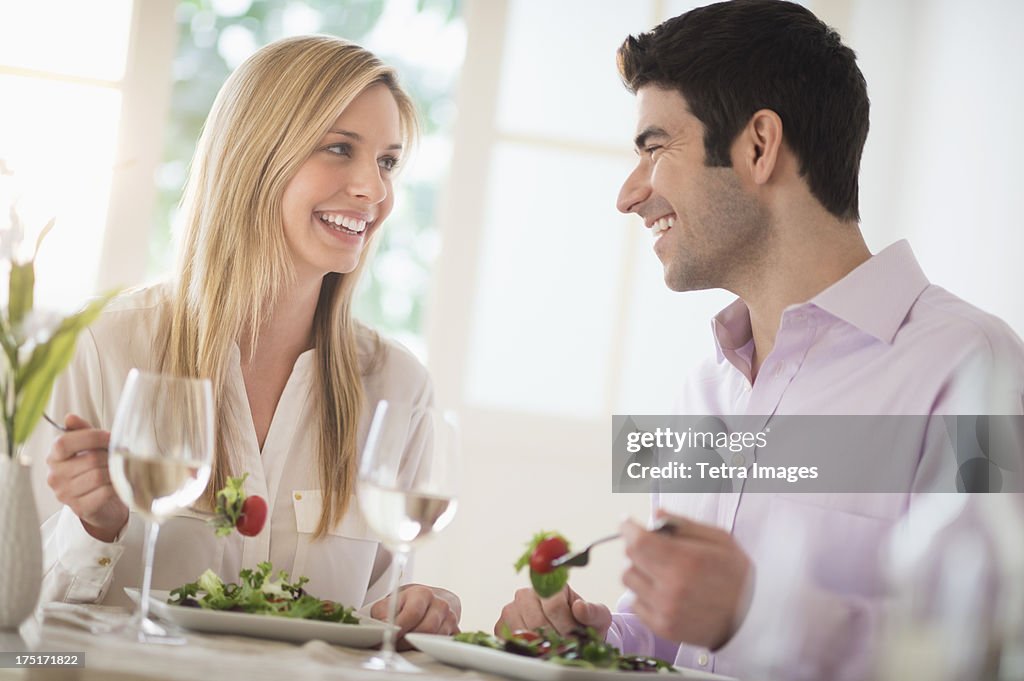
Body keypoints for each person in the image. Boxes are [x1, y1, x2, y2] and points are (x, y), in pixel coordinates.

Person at [495, 1, 1024, 679]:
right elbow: (683, 641)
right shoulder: (706, 387)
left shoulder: (974, 367)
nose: (628, 195)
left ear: (757, 146)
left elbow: (989, 651)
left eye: (654, 148)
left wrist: (754, 611)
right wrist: (601, 634)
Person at [29, 35, 460, 638]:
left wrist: (415, 608)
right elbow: (19, 626)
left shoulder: (396, 387)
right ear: (254, 156)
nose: (375, 190)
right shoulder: (102, 348)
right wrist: (94, 526)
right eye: (340, 149)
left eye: (388, 161)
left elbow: (374, 624)